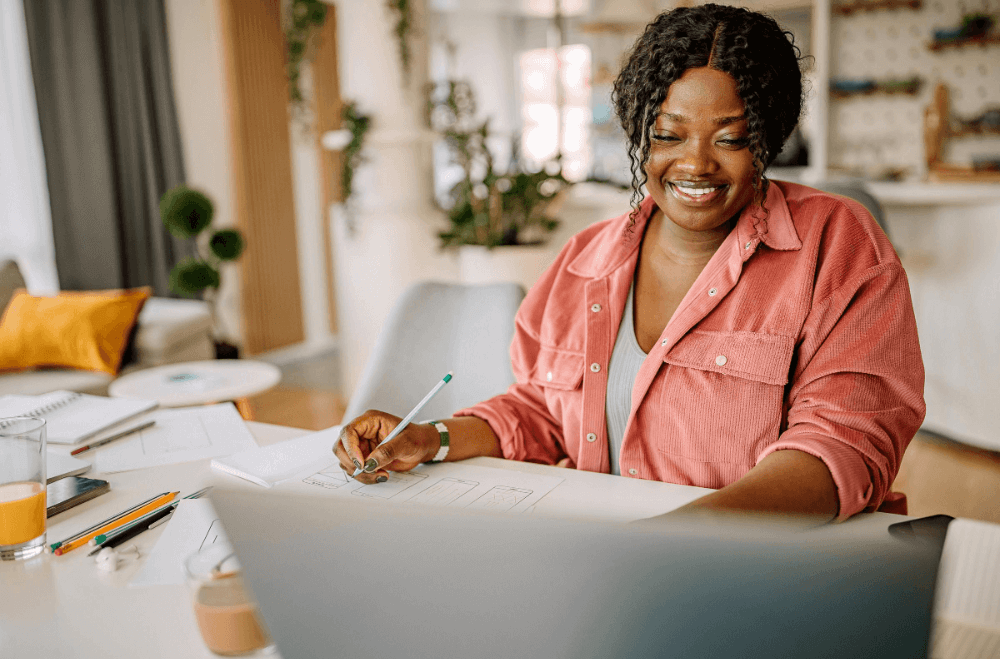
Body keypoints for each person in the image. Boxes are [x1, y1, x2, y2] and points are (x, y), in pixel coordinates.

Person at [333, 4, 925, 522]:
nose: (695, 164)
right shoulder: (586, 259)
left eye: (730, 138)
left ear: (767, 139)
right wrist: (428, 438)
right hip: (618, 562)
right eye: (668, 136)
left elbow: (844, 446)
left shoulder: (836, 244)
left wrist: (679, 540)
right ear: (643, 135)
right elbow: (539, 409)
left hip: (774, 573)